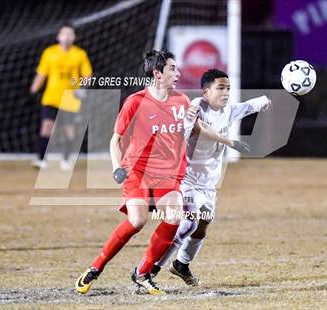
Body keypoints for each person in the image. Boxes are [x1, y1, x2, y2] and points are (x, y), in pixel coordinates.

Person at [75, 51, 236, 296]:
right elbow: (115, 140)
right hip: (137, 171)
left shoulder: (182, 101)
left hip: (169, 175)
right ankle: (95, 268)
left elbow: (197, 127)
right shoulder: (135, 102)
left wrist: (227, 140)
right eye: (172, 69)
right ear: (157, 73)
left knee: (174, 217)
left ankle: (143, 274)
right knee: (137, 221)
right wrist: (117, 168)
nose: (178, 73)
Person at [150, 69, 271, 286]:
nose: (225, 93)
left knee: (203, 225)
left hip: (208, 184)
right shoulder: (197, 105)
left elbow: (247, 107)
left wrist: (264, 100)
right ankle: (151, 269)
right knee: (188, 223)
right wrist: (229, 142)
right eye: (220, 88)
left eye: (228, 88)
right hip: (187, 180)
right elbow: (198, 128)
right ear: (206, 92)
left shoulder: (228, 111)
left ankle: (181, 264)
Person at [30, 24, 92, 170]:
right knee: (46, 127)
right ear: (58, 36)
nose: (67, 37)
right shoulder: (49, 53)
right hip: (51, 98)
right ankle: (41, 159)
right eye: (64, 34)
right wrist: (33, 89)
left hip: (70, 98)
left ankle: (65, 160)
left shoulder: (80, 54)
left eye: (70, 34)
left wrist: (82, 88)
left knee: (69, 131)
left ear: (74, 37)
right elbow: (42, 73)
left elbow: (87, 75)